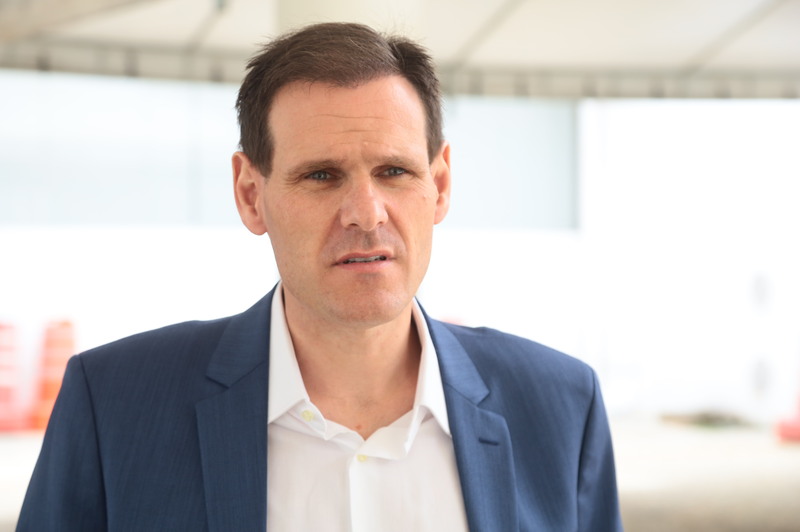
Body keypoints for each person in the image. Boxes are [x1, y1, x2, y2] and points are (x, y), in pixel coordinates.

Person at [17, 22, 622, 532]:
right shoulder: (114, 406)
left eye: (393, 171)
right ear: (250, 195)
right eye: (321, 176)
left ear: (439, 185)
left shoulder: (562, 407)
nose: (366, 213)